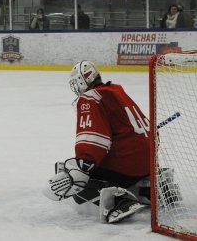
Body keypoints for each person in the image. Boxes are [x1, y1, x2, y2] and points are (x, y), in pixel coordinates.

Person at [43, 61, 151, 224]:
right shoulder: (116, 90)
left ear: (82, 81)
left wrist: (82, 166)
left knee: (79, 179)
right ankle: (147, 189)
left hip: (127, 165)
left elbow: (94, 140)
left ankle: (119, 201)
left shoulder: (89, 97)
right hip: (148, 162)